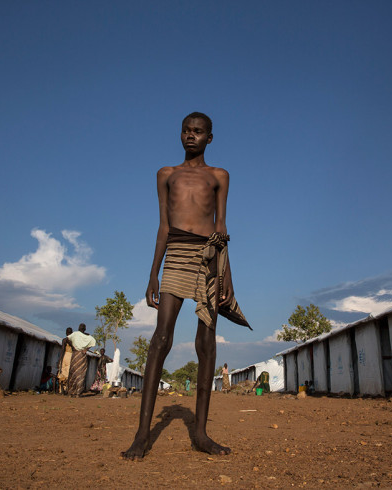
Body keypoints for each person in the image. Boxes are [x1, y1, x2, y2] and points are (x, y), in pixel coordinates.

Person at [123, 112, 250, 461]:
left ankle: (201, 434)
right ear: (179, 135)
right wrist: (154, 273)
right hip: (175, 255)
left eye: (198, 132)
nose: (190, 136)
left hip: (208, 259)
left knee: (205, 342)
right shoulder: (167, 174)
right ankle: (141, 436)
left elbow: (221, 227)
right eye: (186, 131)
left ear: (210, 138)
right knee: (160, 339)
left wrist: (226, 277)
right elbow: (163, 226)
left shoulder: (219, 176)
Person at [66, 323, 97, 397]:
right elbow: (93, 341)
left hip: (75, 354)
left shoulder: (75, 334)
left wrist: (72, 346)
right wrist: (86, 349)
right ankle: (78, 393)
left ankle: (71, 392)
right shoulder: (88, 337)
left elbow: (67, 339)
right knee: (81, 374)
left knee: (73, 373)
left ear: (78, 328)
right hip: (82, 355)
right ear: (85, 329)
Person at [56, 327, 73, 395]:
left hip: (65, 356)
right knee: (68, 374)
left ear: (66, 333)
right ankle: (66, 389)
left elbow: (62, 350)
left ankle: (61, 390)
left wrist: (60, 360)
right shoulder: (73, 341)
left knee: (62, 373)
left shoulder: (64, 340)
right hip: (70, 357)